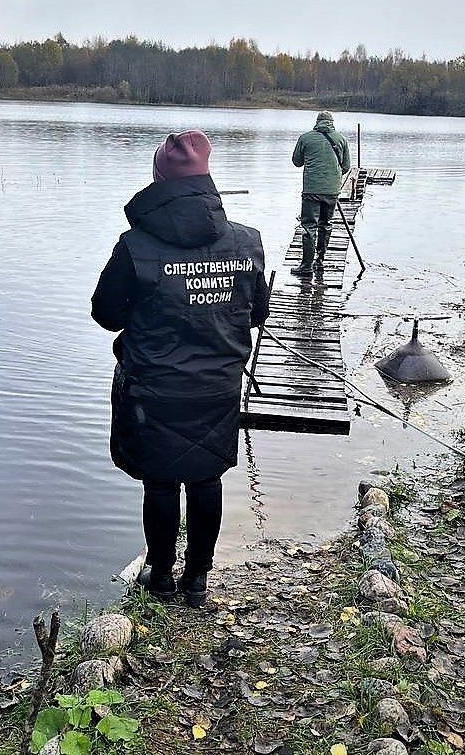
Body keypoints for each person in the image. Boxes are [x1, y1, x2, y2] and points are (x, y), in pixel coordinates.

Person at [91, 130, 270, 608]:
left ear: (158, 180)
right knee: (206, 477)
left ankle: (162, 578)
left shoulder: (135, 246)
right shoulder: (247, 243)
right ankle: (197, 581)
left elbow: (106, 313)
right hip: (217, 385)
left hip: (155, 388)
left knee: (162, 481)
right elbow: (257, 313)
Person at [290, 110, 351, 276]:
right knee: (326, 224)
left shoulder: (305, 138)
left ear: (317, 122)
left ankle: (306, 266)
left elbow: (297, 162)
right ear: (332, 123)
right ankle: (320, 261)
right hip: (332, 191)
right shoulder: (342, 139)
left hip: (311, 190)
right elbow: (346, 167)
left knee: (309, 226)